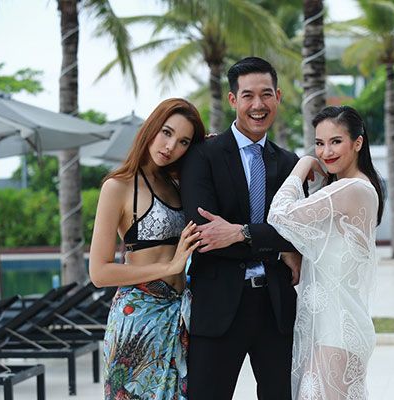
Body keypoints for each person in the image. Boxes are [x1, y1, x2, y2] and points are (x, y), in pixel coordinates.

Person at [180, 57, 301, 400]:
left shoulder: (289, 163)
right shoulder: (202, 156)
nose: (258, 105)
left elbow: (298, 232)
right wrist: (273, 240)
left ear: (278, 96)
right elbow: (205, 234)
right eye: (248, 95)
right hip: (218, 306)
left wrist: (240, 233)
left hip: (275, 306)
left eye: (266, 94)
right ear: (233, 99)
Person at [88, 98, 206, 400]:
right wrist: (169, 267)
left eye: (183, 141)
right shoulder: (118, 186)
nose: (170, 146)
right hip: (138, 319)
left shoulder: (180, 185)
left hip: (180, 315)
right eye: (166, 132)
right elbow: (99, 272)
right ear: (151, 128)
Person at [268, 105, 385, 400]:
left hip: (338, 331)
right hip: (336, 328)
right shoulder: (355, 187)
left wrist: (303, 164)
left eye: (336, 141)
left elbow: (279, 215)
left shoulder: (350, 189)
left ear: (357, 143)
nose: (326, 152)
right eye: (319, 144)